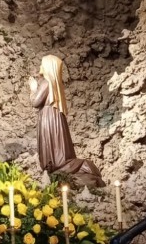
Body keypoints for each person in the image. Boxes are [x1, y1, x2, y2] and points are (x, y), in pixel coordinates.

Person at [29, 54, 104, 186]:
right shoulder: (54, 83)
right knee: (57, 150)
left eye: (42, 63)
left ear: (48, 66)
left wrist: (33, 89)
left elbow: (35, 102)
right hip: (54, 117)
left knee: (54, 155)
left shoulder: (47, 82)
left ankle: (56, 169)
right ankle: (56, 169)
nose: (40, 66)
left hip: (48, 118)